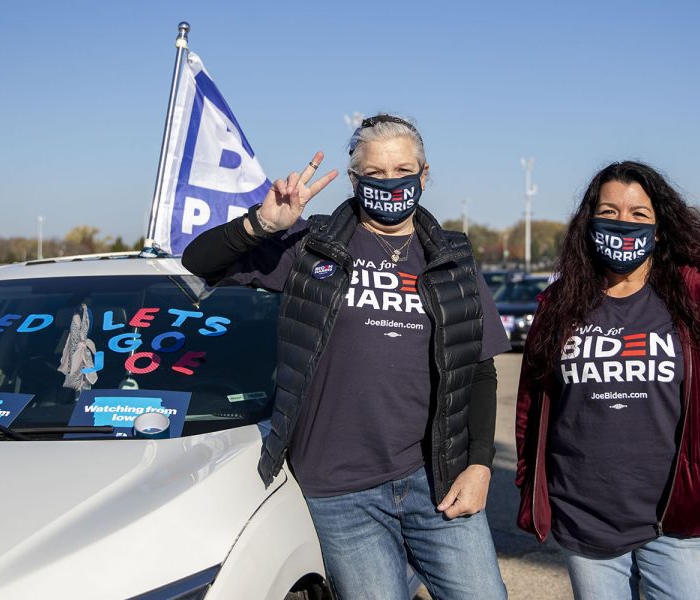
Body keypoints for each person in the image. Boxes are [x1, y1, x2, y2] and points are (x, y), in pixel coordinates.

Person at [182, 114, 509, 599]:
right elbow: (199, 262)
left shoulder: (452, 258)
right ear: (354, 180)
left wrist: (480, 464)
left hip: (436, 477)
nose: (390, 182)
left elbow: (479, 370)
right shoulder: (310, 246)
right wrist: (262, 223)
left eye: (403, 170)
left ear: (423, 176)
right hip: (339, 491)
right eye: (375, 174)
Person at [514, 161, 700, 599]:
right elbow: (532, 402)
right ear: (589, 223)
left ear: (660, 228)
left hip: (677, 518)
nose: (623, 224)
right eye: (609, 212)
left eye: (638, 214)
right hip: (584, 516)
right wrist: (532, 481)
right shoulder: (560, 302)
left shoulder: (693, 293)